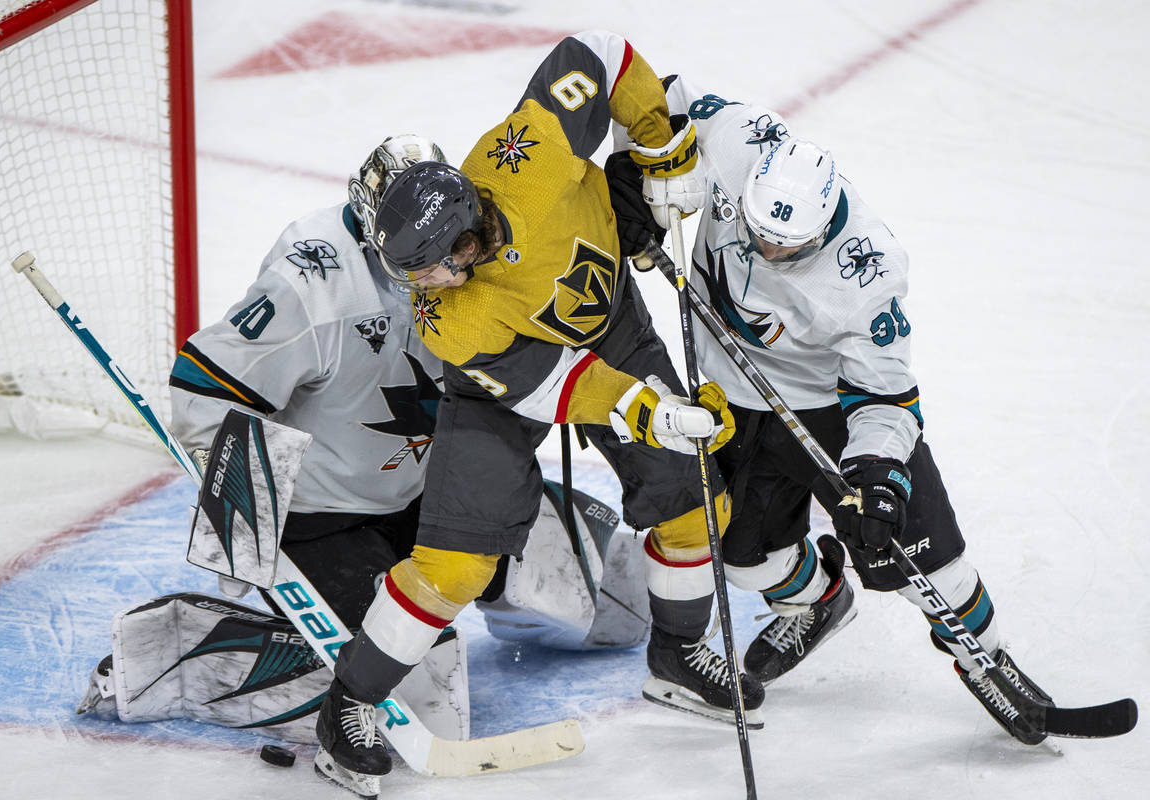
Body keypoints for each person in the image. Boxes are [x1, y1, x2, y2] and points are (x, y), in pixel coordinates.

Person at [75, 135, 648, 746]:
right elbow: (206, 389)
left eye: (454, 241)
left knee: (617, 599)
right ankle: (190, 656)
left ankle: (494, 600)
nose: (453, 269)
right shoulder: (314, 284)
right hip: (326, 518)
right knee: (425, 697)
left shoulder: (478, 240)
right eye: (424, 256)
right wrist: (240, 522)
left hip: (438, 488)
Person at [315, 30, 761, 797]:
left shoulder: (528, 152)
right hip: (511, 388)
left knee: (696, 503)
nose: (419, 284)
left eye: (426, 265)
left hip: (611, 324)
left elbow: (598, 52)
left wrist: (663, 150)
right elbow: (559, 384)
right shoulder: (448, 318)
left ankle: (678, 656)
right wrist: (646, 409)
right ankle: (348, 703)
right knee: (456, 566)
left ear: (464, 240)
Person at [610, 75, 1058, 746]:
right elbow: (648, 94)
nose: (766, 253)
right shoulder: (737, 138)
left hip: (827, 407)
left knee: (920, 552)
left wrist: (879, 475)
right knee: (735, 551)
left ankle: (984, 657)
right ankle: (819, 599)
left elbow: (885, 396)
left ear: (823, 224)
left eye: (785, 248)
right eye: (757, 233)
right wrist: (631, 173)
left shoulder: (869, 273)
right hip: (729, 392)